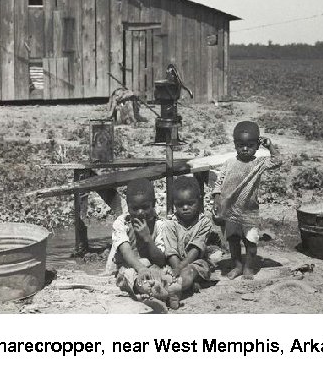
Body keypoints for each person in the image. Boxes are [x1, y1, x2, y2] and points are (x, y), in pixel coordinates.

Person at [211, 121, 281, 280]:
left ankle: (249, 267)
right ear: (235, 145)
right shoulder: (229, 163)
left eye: (250, 145)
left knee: (251, 242)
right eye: (241, 145)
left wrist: (269, 146)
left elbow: (278, 161)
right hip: (230, 210)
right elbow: (219, 182)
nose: (245, 148)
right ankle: (237, 266)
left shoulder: (259, 163)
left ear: (257, 146)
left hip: (249, 211)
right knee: (233, 240)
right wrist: (216, 197)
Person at [106, 178, 171, 312]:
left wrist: (148, 238)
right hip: (126, 265)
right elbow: (125, 251)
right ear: (128, 206)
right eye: (135, 208)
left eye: (145, 207)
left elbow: (160, 259)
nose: (140, 212)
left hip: (149, 265)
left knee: (160, 270)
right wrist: (140, 268)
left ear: (153, 204)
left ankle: (157, 291)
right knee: (129, 275)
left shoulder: (160, 225)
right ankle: (147, 292)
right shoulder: (121, 223)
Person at [163, 176, 214, 309]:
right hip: (173, 263)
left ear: (199, 199)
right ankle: (170, 289)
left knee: (191, 271)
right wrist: (176, 268)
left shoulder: (204, 223)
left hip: (196, 262)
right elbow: (171, 250)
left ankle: (175, 289)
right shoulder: (169, 224)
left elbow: (196, 250)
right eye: (180, 205)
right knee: (162, 272)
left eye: (190, 203)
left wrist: (180, 268)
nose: (185, 208)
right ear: (174, 203)